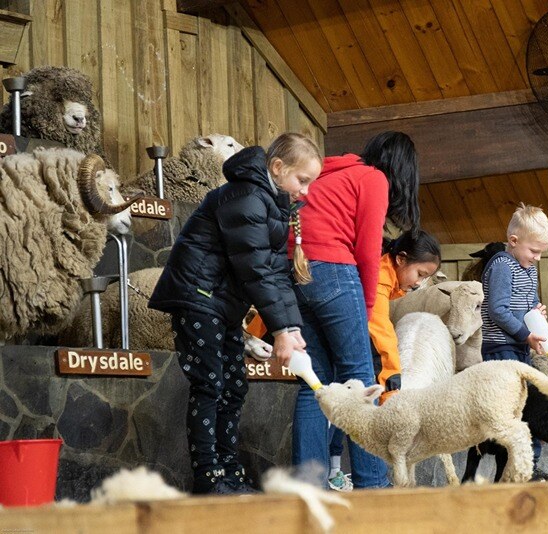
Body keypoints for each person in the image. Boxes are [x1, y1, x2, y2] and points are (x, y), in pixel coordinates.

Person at [148, 133, 322, 494]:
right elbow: (255, 269)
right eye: (301, 180)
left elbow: (275, 272)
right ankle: (209, 478)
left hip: (221, 302)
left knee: (234, 386)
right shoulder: (245, 197)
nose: (305, 191)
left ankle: (229, 471)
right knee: (210, 384)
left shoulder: (272, 204)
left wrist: (291, 326)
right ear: (277, 167)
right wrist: (278, 331)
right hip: (198, 296)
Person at [291, 131, 420, 489]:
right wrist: (364, 309)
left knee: (312, 384)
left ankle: (307, 485)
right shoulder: (373, 178)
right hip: (334, 270)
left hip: (296, 270)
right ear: (403, 169)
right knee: (361, 376)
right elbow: (368, 251)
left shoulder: (331, 173)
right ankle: (372, 484)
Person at [327, 230, 441, 491]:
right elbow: (381, 335)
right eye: (420, 274)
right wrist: (392, 386)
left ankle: (334, 471)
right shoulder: (377, 279)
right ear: (401, 259)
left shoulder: (383, 277)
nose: (419, 283)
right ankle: (373, 483)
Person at [480, 204, 548, 475]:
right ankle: (515, 467)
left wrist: (537, 312)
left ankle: (529, 465)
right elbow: (497, 309)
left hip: (521, 345)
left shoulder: (528, 267)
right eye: (534, 251)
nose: (537, 258)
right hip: (501, 347)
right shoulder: (502, 265)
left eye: (541, 253)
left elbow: (529, 301)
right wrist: (525, 333)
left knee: (527, 404)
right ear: (513, 241)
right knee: (511, 409)